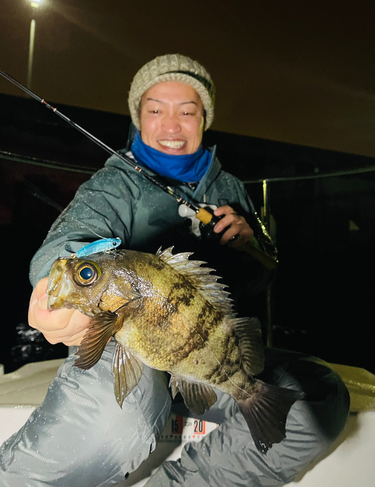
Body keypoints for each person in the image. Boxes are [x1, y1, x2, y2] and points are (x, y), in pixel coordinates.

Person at [0, 54, 349, 486]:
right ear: (137, 118)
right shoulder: (114, 185)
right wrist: (60, 278)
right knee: (115, 424)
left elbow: (260, 276)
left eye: (187, 112)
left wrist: (248, 248)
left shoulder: (231, 190)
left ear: (204, 119)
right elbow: (70, 240)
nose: (171, 126)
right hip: (122, 341)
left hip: (203, 356)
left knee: (320, 397)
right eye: (155, 110)